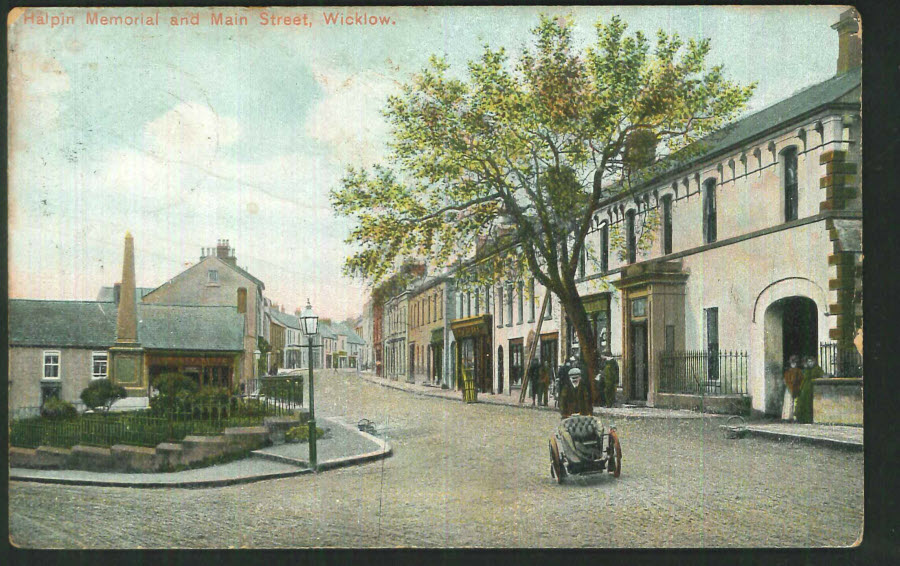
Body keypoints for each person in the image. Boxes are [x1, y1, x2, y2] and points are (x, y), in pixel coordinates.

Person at [794, 355, 822, 424]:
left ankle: (808, 419)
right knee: (802, 402)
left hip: (811, 388)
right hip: (805, 388)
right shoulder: (807, 370)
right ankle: (801, 418)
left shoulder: (817, 369)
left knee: (809, 404)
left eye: (811, 361)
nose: (810, 363)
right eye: (809, 361)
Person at [782, 355, 803, 421]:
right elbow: (786, 379)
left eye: (795, 363)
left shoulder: (799, 371)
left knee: (795, 403)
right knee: (788, 402)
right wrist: (789, 385)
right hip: (789, 388)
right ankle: (787, 417)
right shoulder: (788, 371)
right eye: (792, 363)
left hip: (796, 388)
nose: (793, 364)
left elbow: (801, 379)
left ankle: (794, 417)